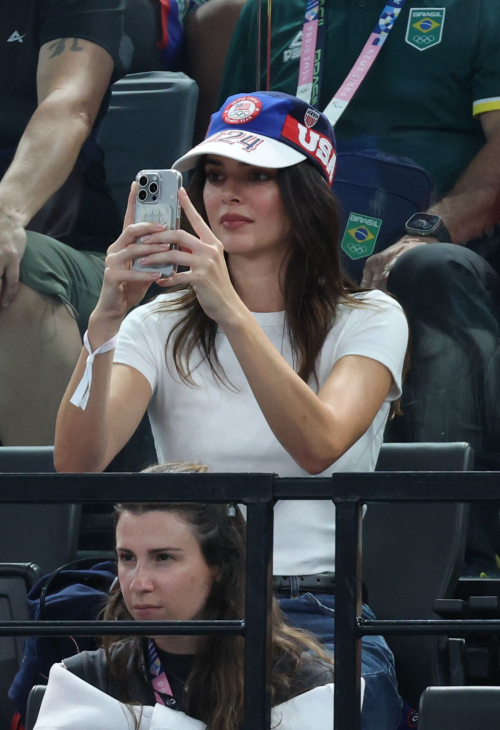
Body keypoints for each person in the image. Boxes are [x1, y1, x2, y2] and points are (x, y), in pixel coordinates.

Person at [55, 91, 408, 729]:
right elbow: (78, 461)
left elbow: (319, 444)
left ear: (306, 194)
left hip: (314, 606)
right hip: (182, 611)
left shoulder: (370, 317)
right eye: (216, 176)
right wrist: (107, 317)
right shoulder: (156, 322)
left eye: (257, 178)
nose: (228, 195)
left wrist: (229, 310)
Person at [217, 0, 500, 570]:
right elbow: (228, 142)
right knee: (182, 276)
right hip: (295, 234)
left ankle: (457, 554)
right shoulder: (270, 12)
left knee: (428, 270)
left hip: (445, 241)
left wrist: (431, 229)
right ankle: (197, 542)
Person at [35, 462, 337, 730]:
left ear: (218, 565)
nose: (139, 583)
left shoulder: (302, 686)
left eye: (163, 558)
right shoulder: (86, 681)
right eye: (127, 557)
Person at [0, 0, 131, 446]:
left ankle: (40, 513)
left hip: (71, 247)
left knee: (12, 271)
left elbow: (70, 104)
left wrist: (6, 214)